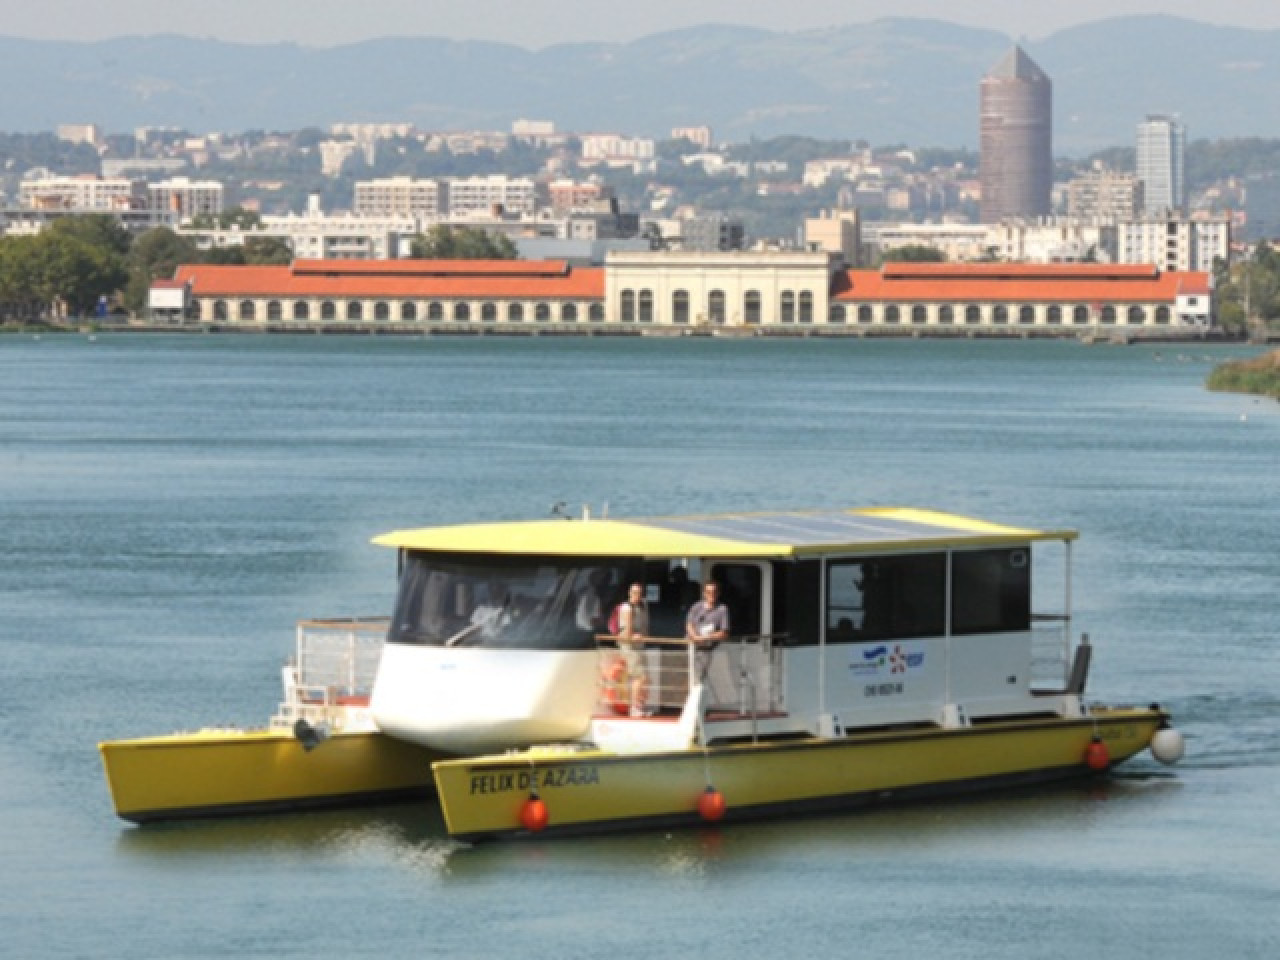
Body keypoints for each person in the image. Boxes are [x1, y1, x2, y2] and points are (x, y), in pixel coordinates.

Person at [616, 582, 652, 717]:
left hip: (640, 646)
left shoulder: (643, 606)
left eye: (639, 593)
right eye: (634, 592)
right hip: (630, 647)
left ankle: (640, 705)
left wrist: (644, 637)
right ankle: (635, 707)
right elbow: (627, 631)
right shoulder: (627, 608)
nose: (637, 595)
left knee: (644, 677)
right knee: (639, 676)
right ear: (629, 593)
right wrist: (633, 636)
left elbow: (645, 627)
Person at [685, 580, 730, 683]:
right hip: (691, 648)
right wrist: (695, 637)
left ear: (718, 593)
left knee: (701, 679)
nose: (711, 595)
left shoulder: (722, 609)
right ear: (704, 593)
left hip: (708, 651)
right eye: (708, 592)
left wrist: (705, 637)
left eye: (714, 592)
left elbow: (724, 633)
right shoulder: (696, 607)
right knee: (689, 677)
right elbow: (689, 625)